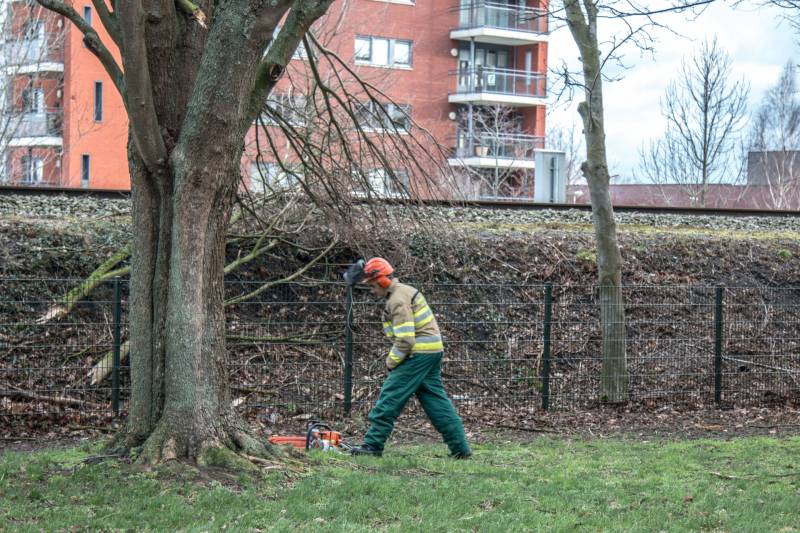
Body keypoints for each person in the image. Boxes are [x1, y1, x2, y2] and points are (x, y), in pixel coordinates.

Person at [347, 258, 471, 458]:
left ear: (382, 281)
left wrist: (391, 361)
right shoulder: (404, 291)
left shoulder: (397, 300)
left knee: (390, 397)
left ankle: (372, 445)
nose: (371, 291)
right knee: (437, 402)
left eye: (372, 286)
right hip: (432, 351)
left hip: (417, 354)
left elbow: (405, 339)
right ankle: (460, 449)